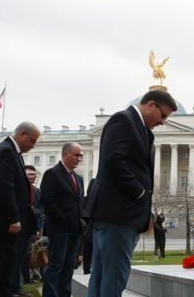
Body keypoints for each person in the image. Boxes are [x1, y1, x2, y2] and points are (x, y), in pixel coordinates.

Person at [85, 89, 177, 297]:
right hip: (117, 213)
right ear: (150, 104)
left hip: (119, 214)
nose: (163, 122)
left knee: (102, 277)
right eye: (163, 115)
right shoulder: (123, 120)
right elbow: (113, 160)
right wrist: (140, 193)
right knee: (113, 277)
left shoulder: (142, 129)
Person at [0, 121, 40, 297]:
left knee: (4, 266)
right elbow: (5, 187)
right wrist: (14, 218)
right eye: (32, 141)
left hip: (3, 222)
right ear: (22, 135)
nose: (33, 146)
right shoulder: (5, 152)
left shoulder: (13, 152)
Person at [41, 142, 85, 297]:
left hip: (75, 230)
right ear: (65, 154)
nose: (79, 158)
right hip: (59, 229)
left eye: (81, 155)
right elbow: (46, 201)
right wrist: (63, 218)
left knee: (68, 268)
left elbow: (80, 203)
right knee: (55, 266)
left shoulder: (78, 178)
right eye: (76, 155)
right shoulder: (52, 173)